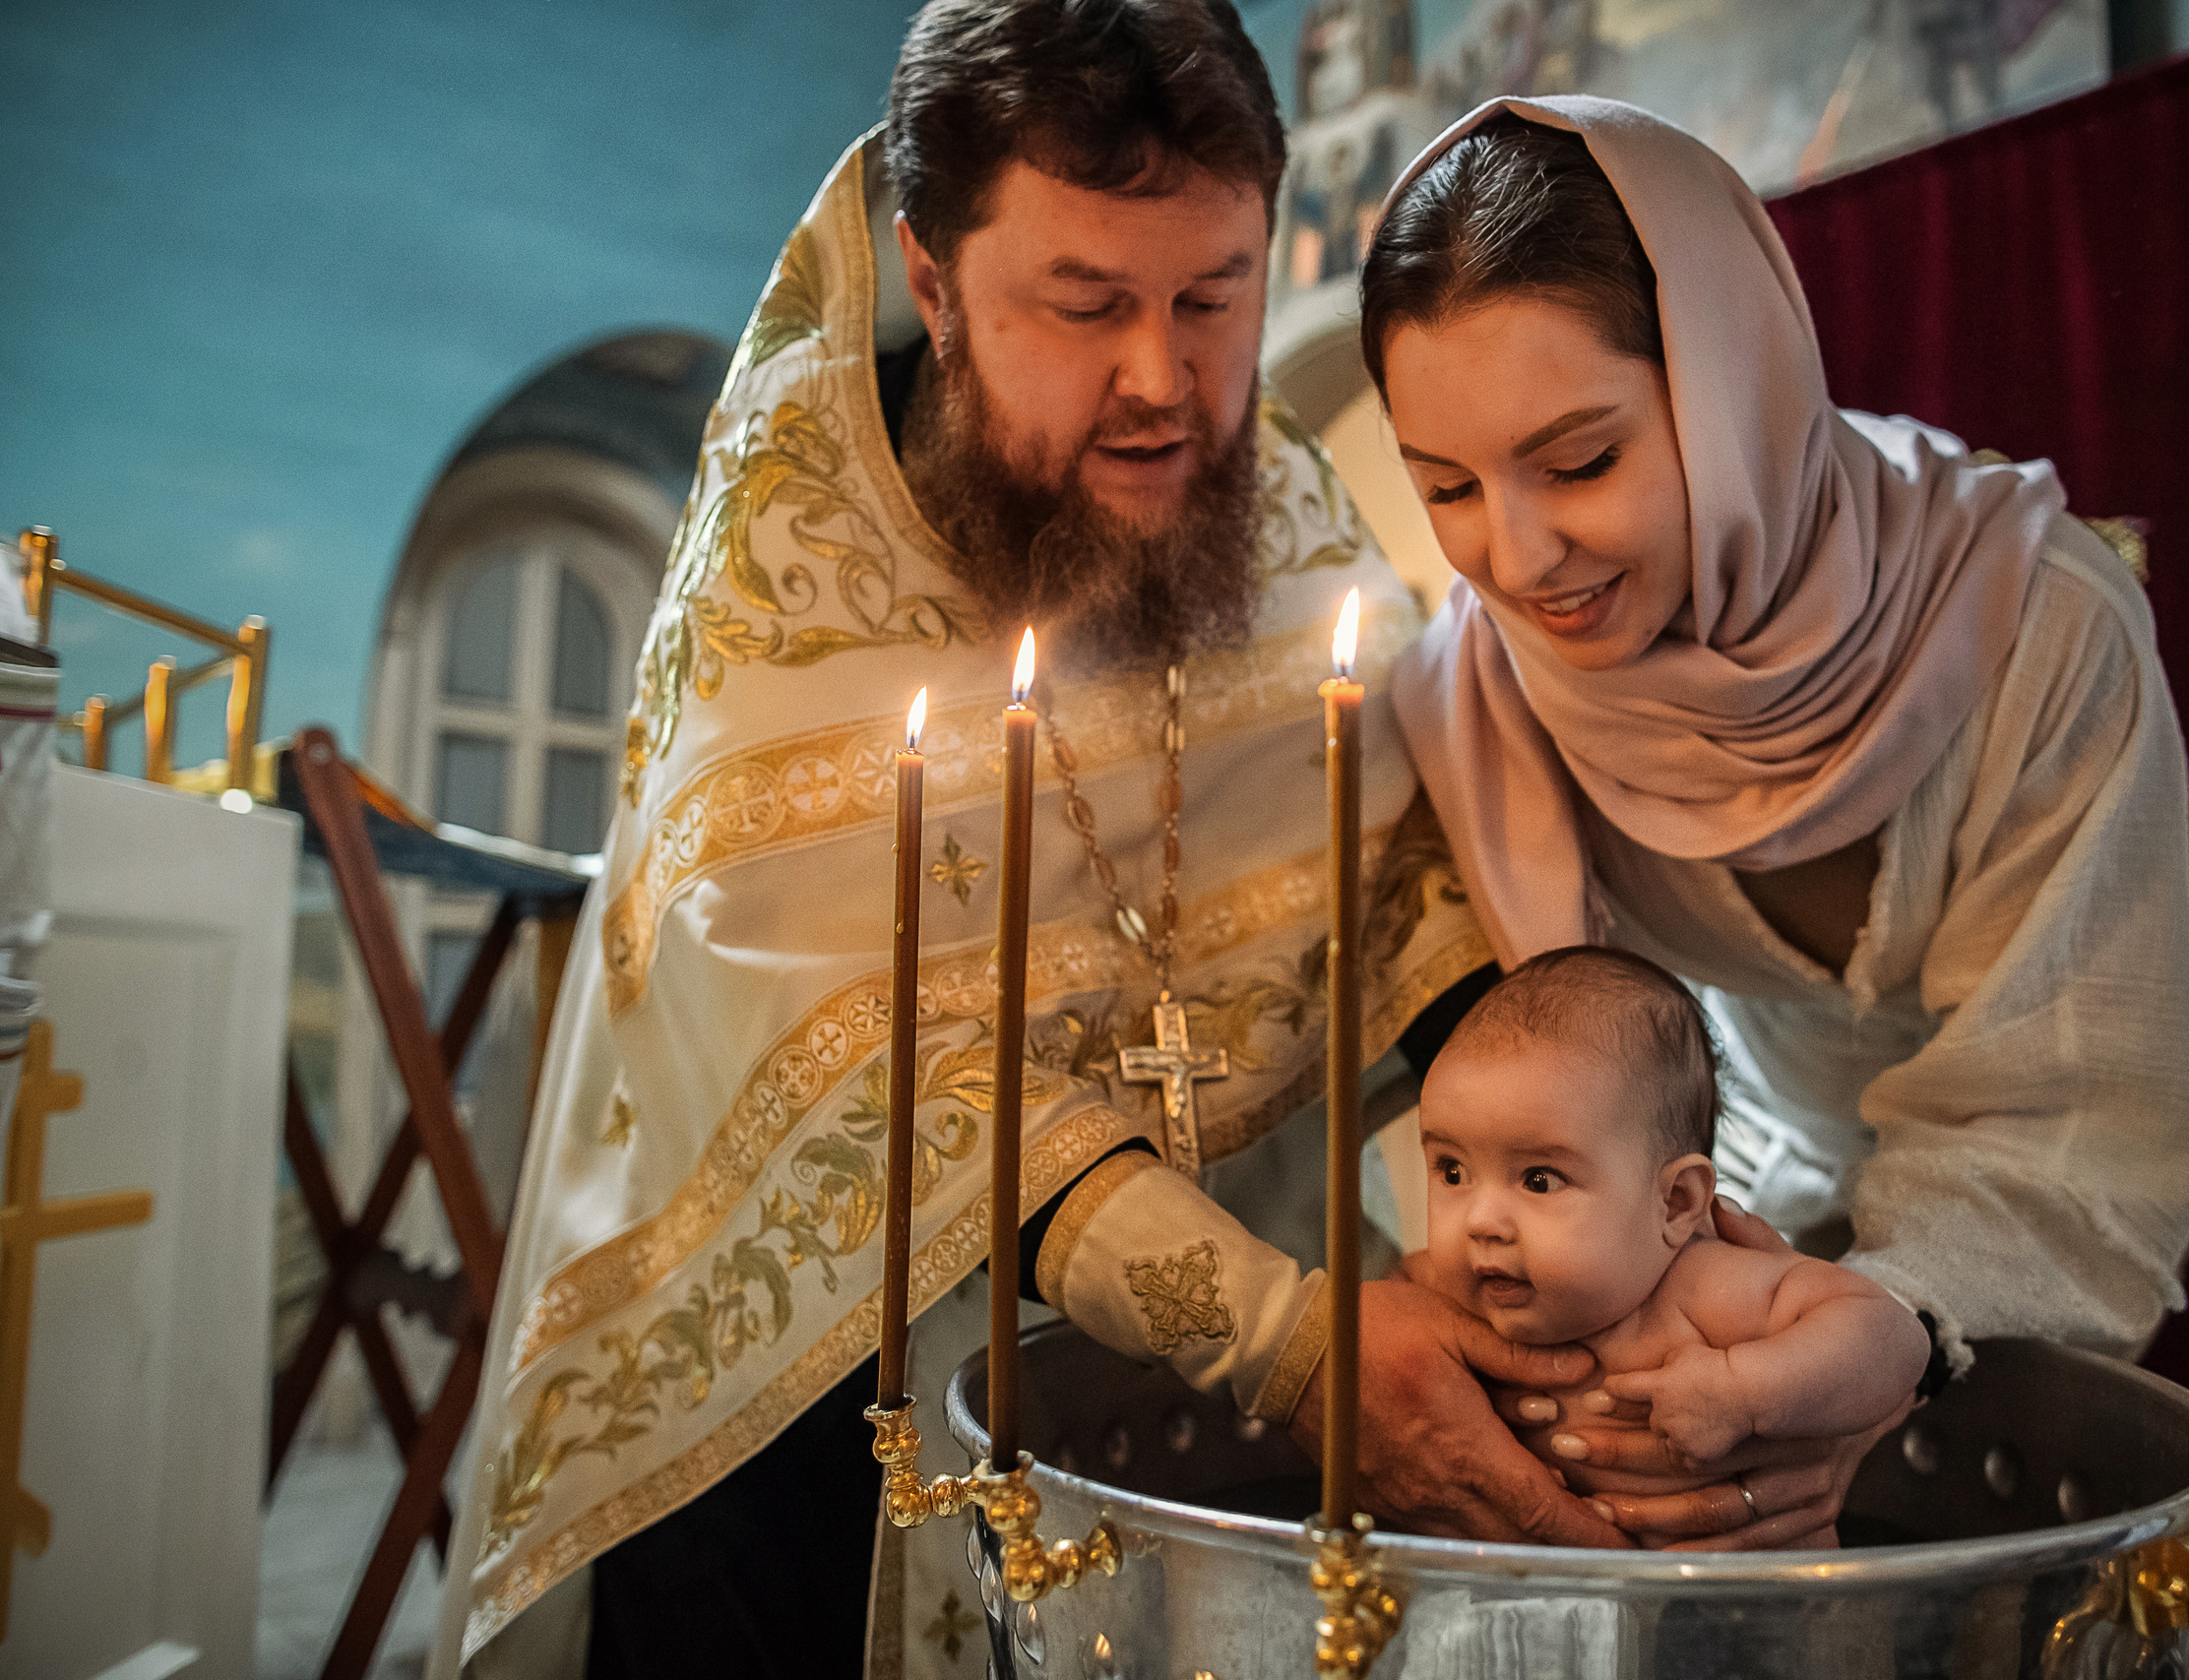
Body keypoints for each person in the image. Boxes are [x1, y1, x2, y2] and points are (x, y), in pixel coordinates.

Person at [431, 13, 1635, 1679]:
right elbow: (856, 1056)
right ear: (933, 279)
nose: (1164, 380)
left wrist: (1594, 1176)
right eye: (1085, 307)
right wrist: (1288, 1342)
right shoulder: (787, 563)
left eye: (1214, 296)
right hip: (817, 1417)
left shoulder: (1271, 505)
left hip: (1198, 1446)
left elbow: (1412, 889)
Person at [1364, 97, 2189, 1550]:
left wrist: (1882, 1321)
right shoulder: (1479, 694)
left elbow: (2075, 1098)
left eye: (1578, 462)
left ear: (1732, 384)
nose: (1514, 559)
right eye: (1446, 486)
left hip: (2022, 1255)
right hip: (1706, 1251)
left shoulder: (2035, 627)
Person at [1416, 945, 1928, 1546]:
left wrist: (1745, 1390)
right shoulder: (1441, 1297)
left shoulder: (1701, 1290)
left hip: (1758, 1612)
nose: (1481, 1221)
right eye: (1452, 1171)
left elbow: (1893, 1339)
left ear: (1677, 1203)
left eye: (1539, 1179)